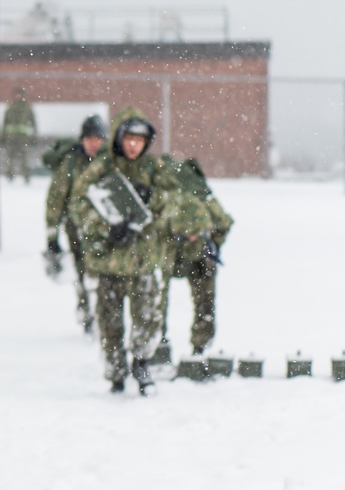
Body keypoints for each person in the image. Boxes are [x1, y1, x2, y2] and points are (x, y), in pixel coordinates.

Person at [69, 108, 207, 394]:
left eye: (140, 140)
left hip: (144, 258)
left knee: (147, 317)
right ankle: (115, 372)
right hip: (109, 261)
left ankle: (142, 362)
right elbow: (79, 203)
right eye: (129, 138)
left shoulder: (155, 169)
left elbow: (173, 201)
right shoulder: (102, 168)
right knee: (110, 323)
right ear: (119, 138)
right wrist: (107, 227)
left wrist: (151, 198)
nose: (134, 145)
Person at [158, 157, 233, 357]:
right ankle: (157, 344)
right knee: (156, 295)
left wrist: (212, 247)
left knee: (205, 299)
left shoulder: (202, 196)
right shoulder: (162, 203)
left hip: (200, 255)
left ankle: (200, 346)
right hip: (168, 252)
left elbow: (224, 224)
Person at [43, 113, 108, 332]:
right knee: (82, 271)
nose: (93, 143)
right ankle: (86, 312)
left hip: (105, 229)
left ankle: (104, 313)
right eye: (89, 138)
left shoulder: (109, 162)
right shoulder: (71, 164)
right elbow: (55, 200)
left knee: (104, 273)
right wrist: (52, 236)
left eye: (98, 138)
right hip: (77, 229)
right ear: (82, 140)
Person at [1, 89, 37, 182]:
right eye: (17, 94)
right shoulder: (10, 108)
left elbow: (33, 123)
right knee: (10, 157)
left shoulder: (27, 108)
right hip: (11, 137)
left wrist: (34, 137)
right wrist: (2, 137)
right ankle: (9, 175)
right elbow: (4, 123)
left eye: (20, 94)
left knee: (24, 157)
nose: (19, 96)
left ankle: (26, 176)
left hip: (23, 137)